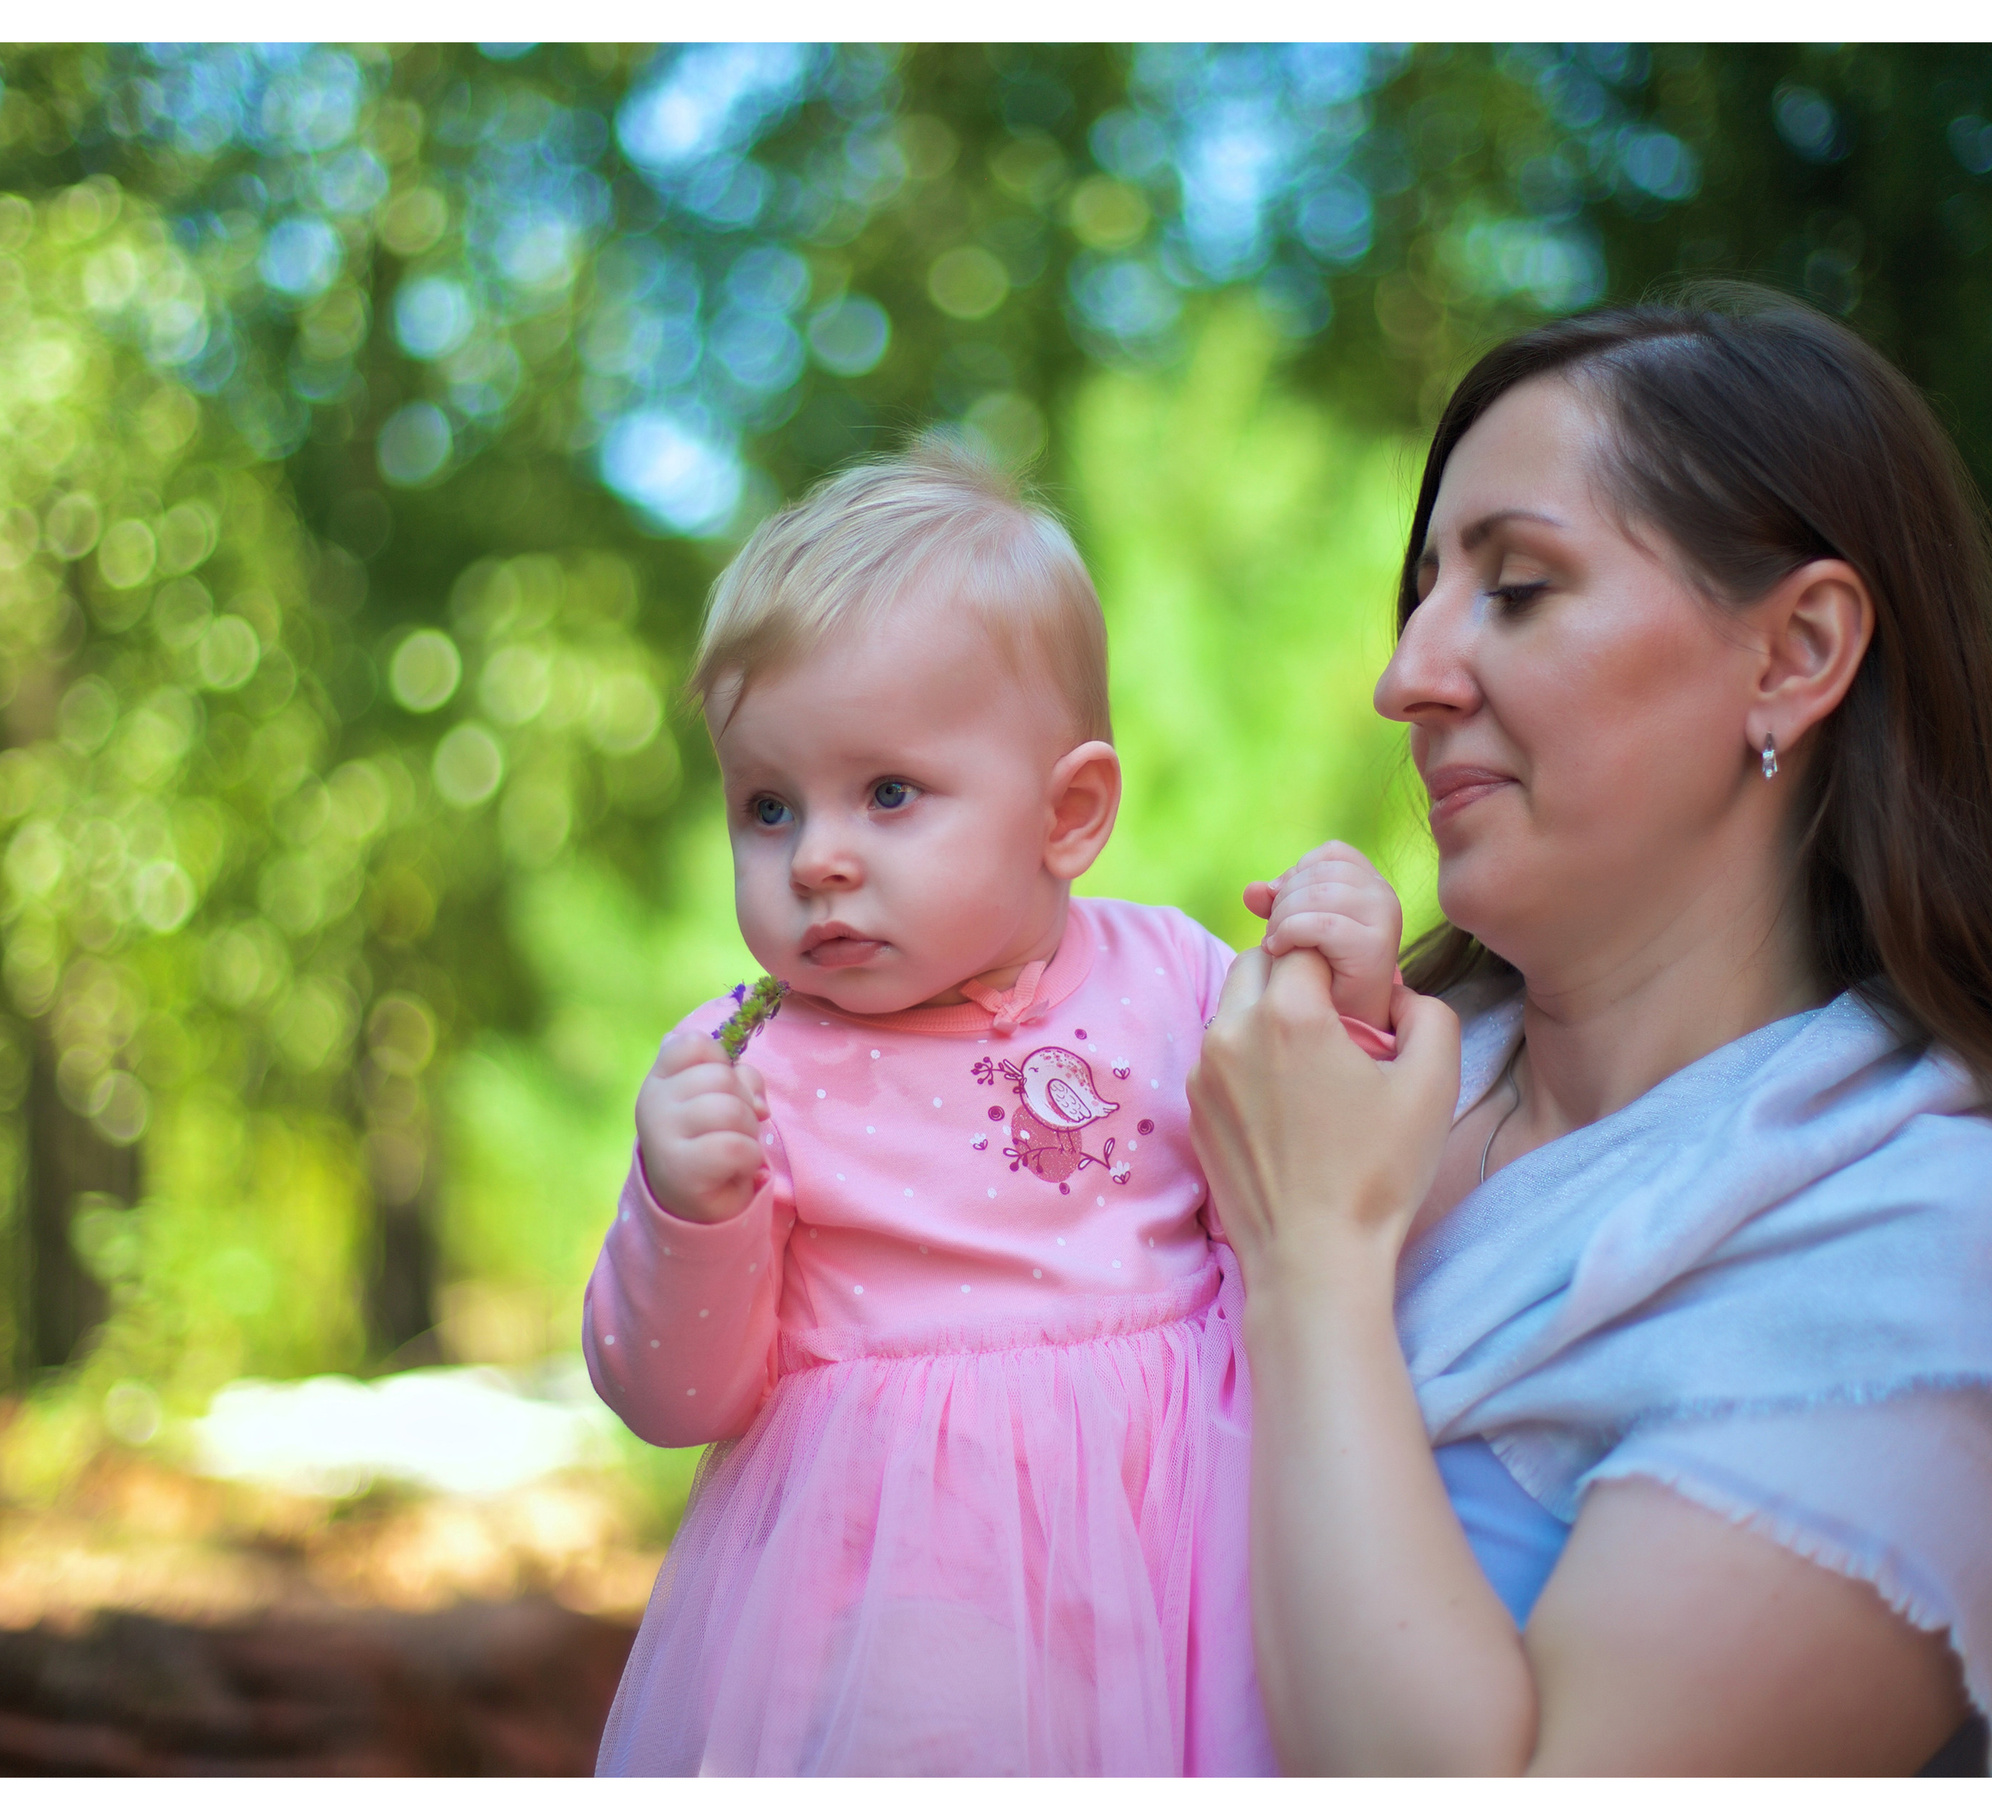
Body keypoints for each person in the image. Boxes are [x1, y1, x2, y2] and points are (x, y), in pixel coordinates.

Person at [1188, 286, 1992, 1776]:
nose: (1408, 680)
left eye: (1518, 587)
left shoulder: (1929, 1227)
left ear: (1794, 655)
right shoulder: (1330, 1073)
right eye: (1424, 596)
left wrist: (1314, 1262)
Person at [580, 438, 1398, 1774]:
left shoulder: (1173, 979)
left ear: (1068, 813)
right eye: (767, 808)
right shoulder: (750, 1064)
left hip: (1176, 1540)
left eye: (888, 794)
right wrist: (687, 1209)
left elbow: (1312, 1172)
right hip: (899, 1592)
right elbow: (676, 1395)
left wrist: (1349, 994)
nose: (818, 858)